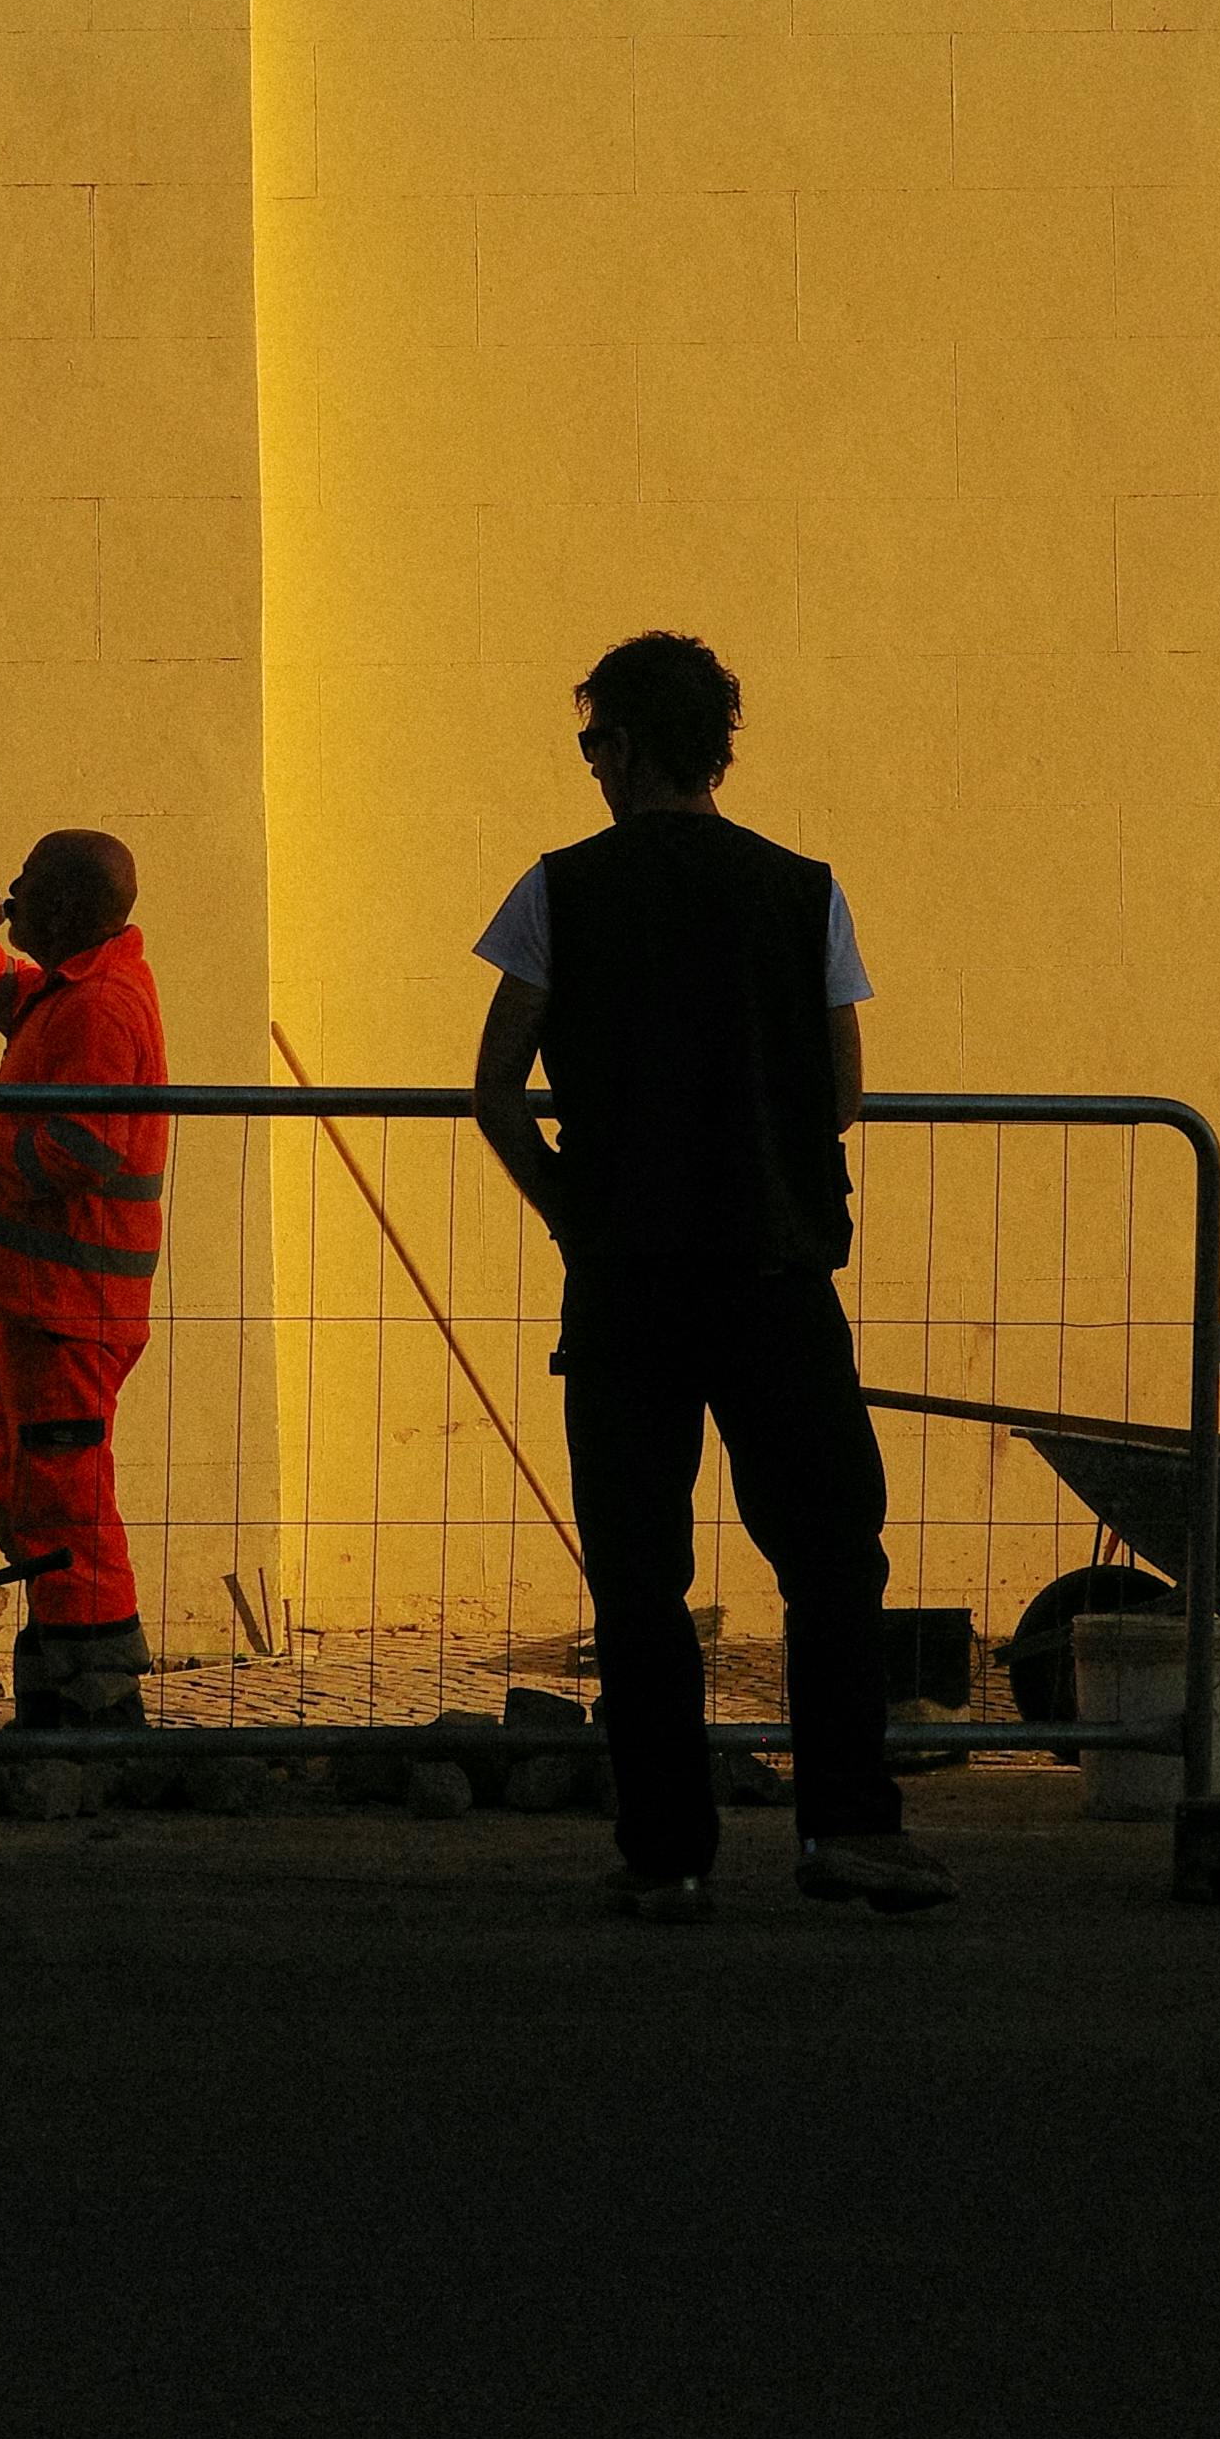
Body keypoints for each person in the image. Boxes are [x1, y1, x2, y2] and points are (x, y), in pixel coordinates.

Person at [470, 633, 954, 1922]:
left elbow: (496, 1088)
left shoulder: (558, 891)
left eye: (588, 746)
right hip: (775, 1267)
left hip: (625, 1279)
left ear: (622, 745)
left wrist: (573, 1207)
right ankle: (848, 1826)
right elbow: (842, 1091)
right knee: (829, 1559)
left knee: (639, 1572)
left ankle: (667, 1849)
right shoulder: (804, 891)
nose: (587, 770)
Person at [0, 831, 167, 1733]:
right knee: (29, 1492)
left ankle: (98, 1700)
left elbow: (85, 1146)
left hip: (70, 1309)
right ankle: (64, 1685)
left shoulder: (101, 1006)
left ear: (69, 905)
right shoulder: (70, 992)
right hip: (34, 1300)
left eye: (27, 883)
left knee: (67, 1501)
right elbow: (11, 996)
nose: (10, 892)